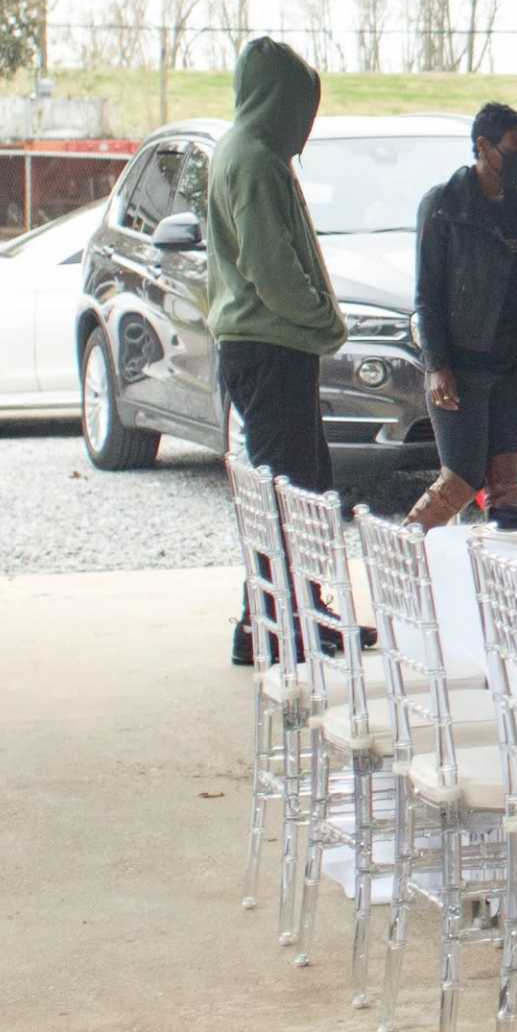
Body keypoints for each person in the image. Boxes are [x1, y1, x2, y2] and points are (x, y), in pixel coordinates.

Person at [204, 38, 345, 662]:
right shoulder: (255, 160)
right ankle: (274, 625)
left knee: (294, 486)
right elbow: (272, 270)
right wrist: (324, 322)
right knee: (288, 490)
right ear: (277, 100)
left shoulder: (247, 151)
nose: (307, 124)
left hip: (264, 344)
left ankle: (287, 617)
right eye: (301, 107)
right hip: (270, 345)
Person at [409, 102, 517, 526]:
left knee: (508, 482)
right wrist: (438, 365)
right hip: (463, 366)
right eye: (514, 149)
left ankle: (507, 577)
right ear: (482, 147)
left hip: (511, 366)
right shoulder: (444, 205)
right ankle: (405, 550)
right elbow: (427, 292)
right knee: (462, 476)